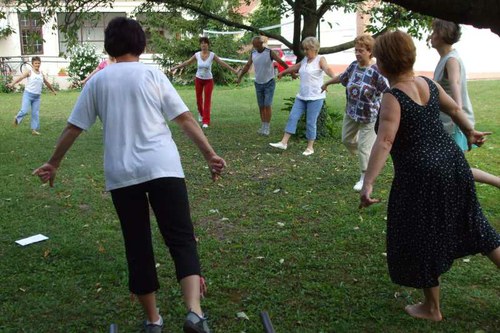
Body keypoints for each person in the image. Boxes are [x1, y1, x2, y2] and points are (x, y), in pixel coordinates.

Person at [33, 17, 225, 333]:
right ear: (141, 44)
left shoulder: (98, 81)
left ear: (109, 46)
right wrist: (209, 154)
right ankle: (194, 312)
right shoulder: (152, 74)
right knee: (181, 237)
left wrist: (53, 162)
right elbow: (185, 118)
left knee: (137, 243)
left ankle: (153, 321)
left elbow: (73, 127)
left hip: (123, 173)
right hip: (163, 167)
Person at [360, 30, 500, 322]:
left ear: (382, 64)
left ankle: (432, 308)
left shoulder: (393, 96)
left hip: (420, 176)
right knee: (475, 225)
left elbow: (385, 141)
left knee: (420, 234)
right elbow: (455, 108)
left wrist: (369, 181)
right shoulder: (428, 83)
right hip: (454, 163)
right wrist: (469, 131)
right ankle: (432, 305)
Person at [430, 19, 500, 188]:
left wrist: (458, 115)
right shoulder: (446, 58)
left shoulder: (451, 60)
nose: (430, 36)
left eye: (433, 32)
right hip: (447, 122)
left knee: (455, 167)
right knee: (451, 166)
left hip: (453, 123)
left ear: (441, 35)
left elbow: (455, 85)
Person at [321, 34, 389, 191]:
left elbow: (388, 90)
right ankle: (370, 156)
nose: (358, 54)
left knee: (364, 148)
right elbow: (342, 78)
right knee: (346, 140)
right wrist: (327, 83)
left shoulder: (376, 71)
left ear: (370, 51)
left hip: (369, 116)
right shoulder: (353, 66)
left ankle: (364, 177)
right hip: (351, 112)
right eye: (356, 51)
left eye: (361, 51)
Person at [269, 37, 335, 156]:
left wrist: (334, 78)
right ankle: (284, 142)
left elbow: (327, 69)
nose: (305, 51)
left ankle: (310, 147)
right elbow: (296, 67)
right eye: (304, 49)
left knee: (310, 122)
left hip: (316, 97)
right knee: (292, 117)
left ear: (314, 49)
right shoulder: (305, 59)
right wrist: (283, 72)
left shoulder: (320, 59)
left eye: (307, 49)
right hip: (302, 96)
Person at [170, 37, 239, 128]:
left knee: (207, 101)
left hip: (208, 81)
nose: (203, 45)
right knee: (199, 101)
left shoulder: (212, 55)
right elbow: (187, 62)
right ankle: (201, 114)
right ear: (200, 45)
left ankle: (206, 121)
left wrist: (233, 70)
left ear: (208, 45)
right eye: (202, 43)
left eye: (205, 43)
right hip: (198, 80)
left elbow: (222, 63)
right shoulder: (197, 55)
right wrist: (175, 67)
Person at [236, 36, 291, 136]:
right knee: (261, 106)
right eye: (254, 45)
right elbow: (247, 66)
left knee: (267, 105)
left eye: (257, 44)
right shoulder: (253, 53)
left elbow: (281, 62)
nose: (256, 46)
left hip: (269, 82)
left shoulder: (269, 52)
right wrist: (240, 77)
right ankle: (263, 126)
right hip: (258, 83)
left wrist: (291, 72)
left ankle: (267, 127)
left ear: (261, 43)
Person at [8, 56, 57, 135]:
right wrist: (12, 83)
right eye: (36, 63)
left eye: (38, 63)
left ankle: (34, 130)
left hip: (37, 97)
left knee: (35, 113)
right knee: (24, 110)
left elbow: (46, 82)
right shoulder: (29, 72)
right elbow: (20, 78)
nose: (37, 65)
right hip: (28, 95)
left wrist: (53, 90)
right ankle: (17, 118)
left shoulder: (41, 73)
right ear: (32, 64)